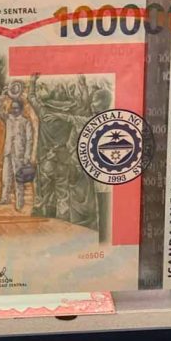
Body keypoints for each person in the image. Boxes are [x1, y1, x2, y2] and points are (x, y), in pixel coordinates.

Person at [27, 73, 98, 230]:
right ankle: (63, 224)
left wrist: (32, 81)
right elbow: (85, 106)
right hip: (63, 159)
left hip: (46, 158)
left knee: (44, 192)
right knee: (62, 192)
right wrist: (82, 84)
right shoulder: (69, 114)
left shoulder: (43, 112)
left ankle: (42, 221)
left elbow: (31, 97)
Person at [0, 97, 33, 211]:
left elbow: (29, 140)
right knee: (6, 177)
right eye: (12, 108)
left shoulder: (26, 122)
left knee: (19, 179)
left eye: (16, 108)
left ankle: (19, 203)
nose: (14, 110)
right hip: (8, 152)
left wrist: (27, 156)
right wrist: (1, 97)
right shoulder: (8, 119)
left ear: (21, 109)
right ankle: (5, 198)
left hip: (19, 153)